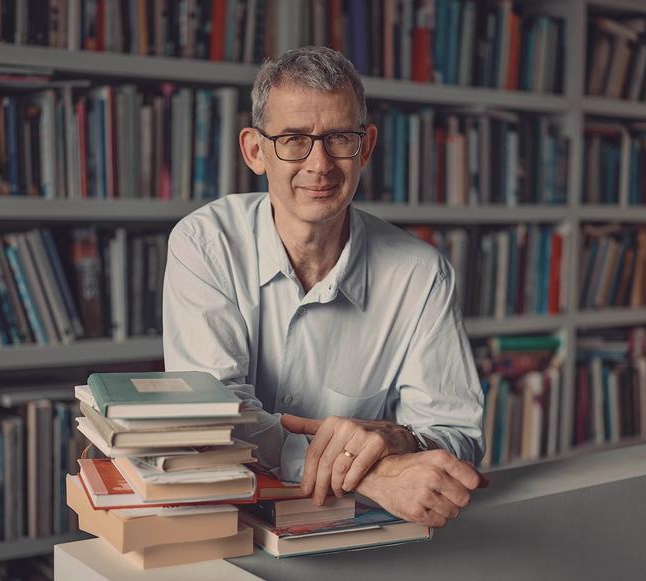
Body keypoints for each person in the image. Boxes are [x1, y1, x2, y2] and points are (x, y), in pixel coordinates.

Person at [162, 46, 488, 528]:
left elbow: (457, 434)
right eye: (294, 139)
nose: (320, 165)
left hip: (354, 534)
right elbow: (214, 418)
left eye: (339, 138)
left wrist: (403, 441)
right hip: (222, 526)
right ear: (255, 150)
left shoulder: (421, 273)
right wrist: (370, 475)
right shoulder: (204, 244)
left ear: (367, 146)